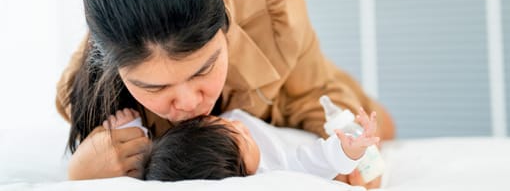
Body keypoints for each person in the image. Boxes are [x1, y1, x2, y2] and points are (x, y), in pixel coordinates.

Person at [55, 0, 395, 187]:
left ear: (225, 26)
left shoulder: (271, 9)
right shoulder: (88, 92)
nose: (188, 103)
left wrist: (344, 155)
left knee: (384, 128)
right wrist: (82, 176)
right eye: (155, 87)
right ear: (115, 71)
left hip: (304, 101)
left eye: (203, 69)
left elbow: (317, 100)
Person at [103, 107, 379, 181]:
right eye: (244, 138)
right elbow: (314, 160)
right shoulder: (273, 171)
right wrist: (348, 149)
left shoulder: (199, 143)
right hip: (312, 138)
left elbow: (154, 161)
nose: (240, 126)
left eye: (224, 124)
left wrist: (131, 128)